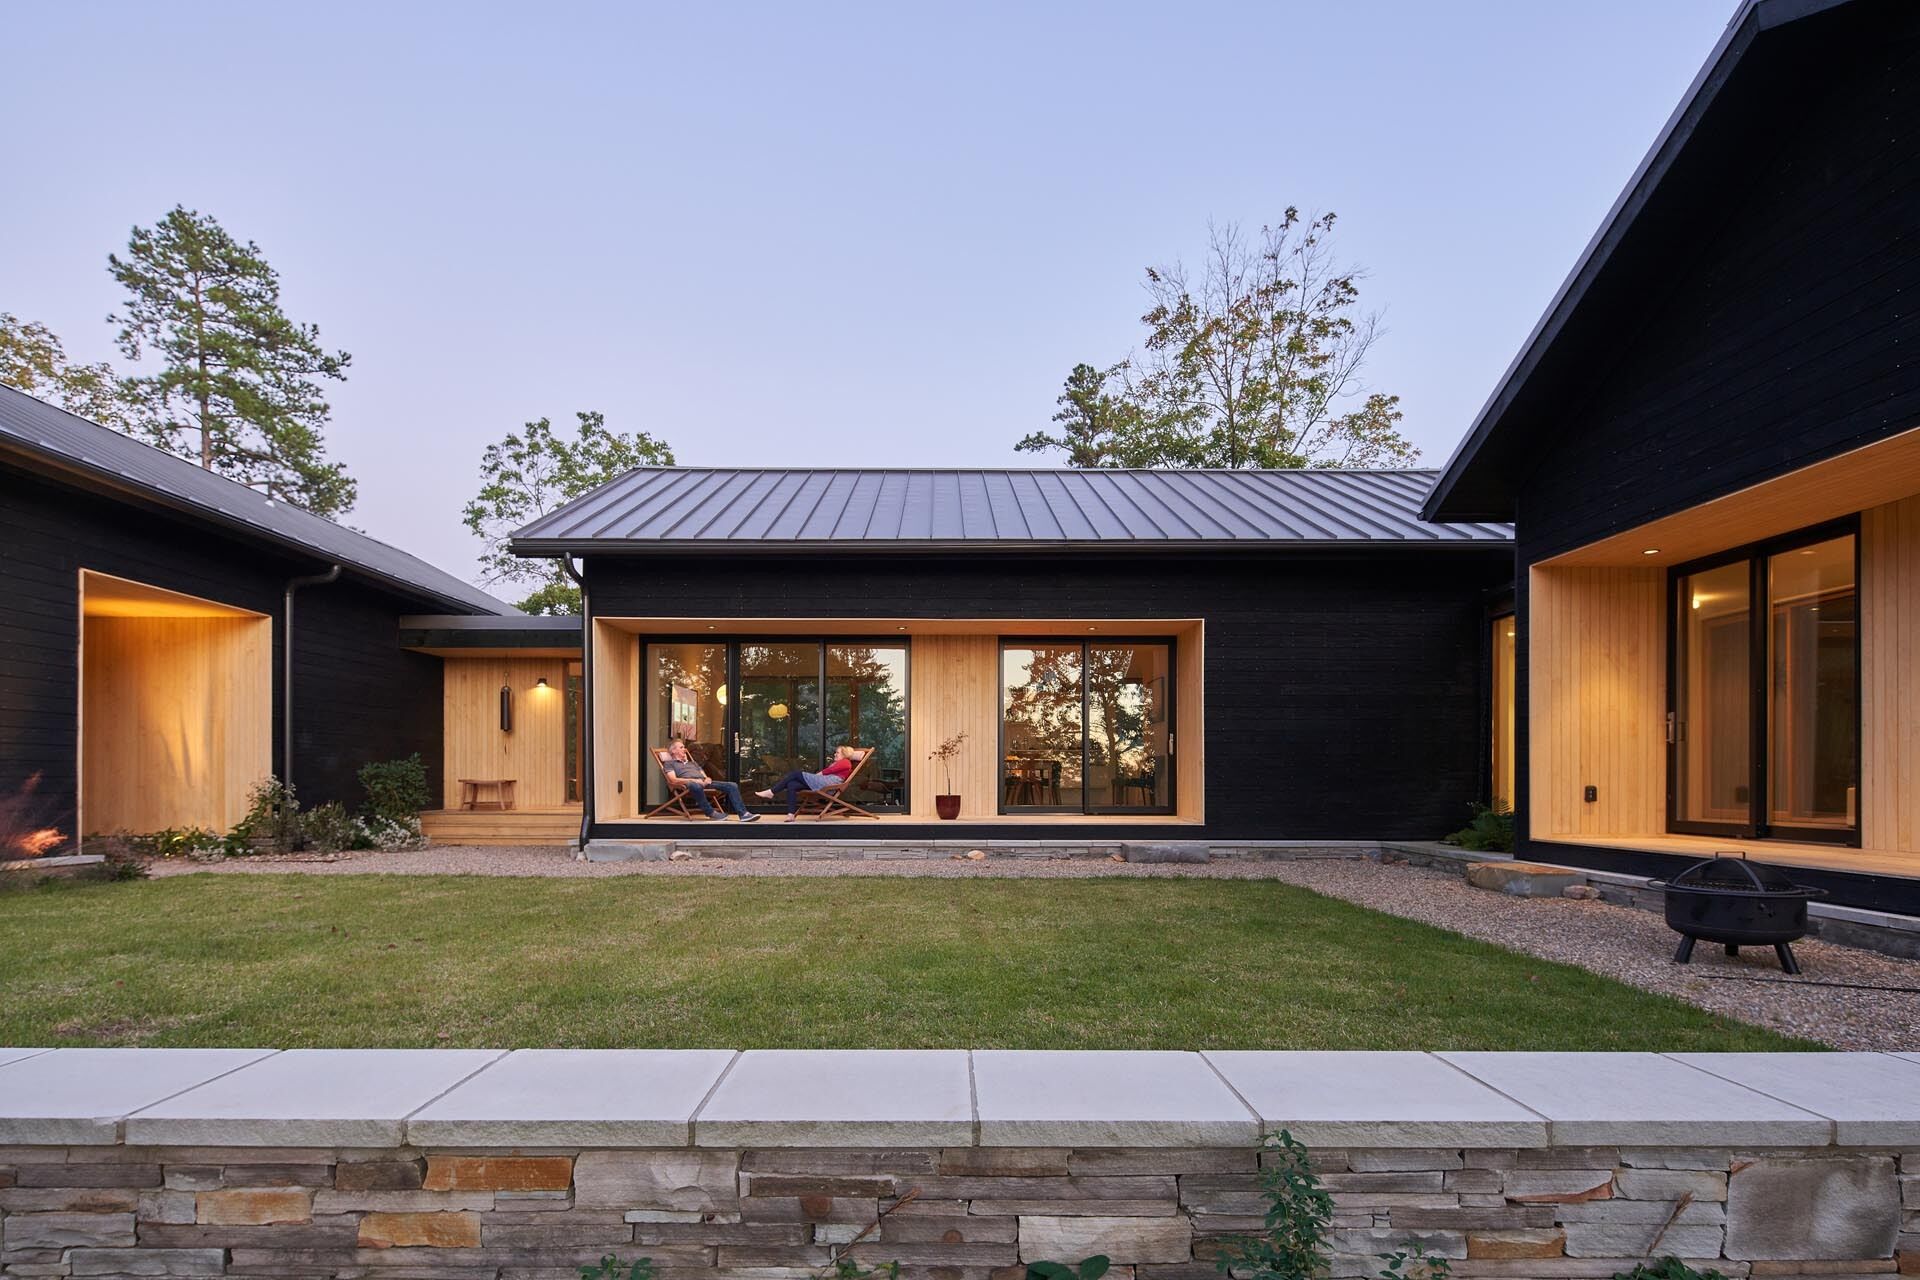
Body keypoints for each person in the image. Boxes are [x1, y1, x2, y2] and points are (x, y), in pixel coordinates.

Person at [661, 739, 760, 821]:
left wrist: (707, 779)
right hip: (689, 784)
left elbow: (703, 775)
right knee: (695, 785)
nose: (685, 749)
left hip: (703, 782)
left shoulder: (693, 763)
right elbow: (673, 780)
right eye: (681, 747)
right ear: (673, 751)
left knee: (732, 785)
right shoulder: (669, 764)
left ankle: (743, 814)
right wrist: (694, 781)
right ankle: (710, 812)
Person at [756, 746, 859, 822]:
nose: (835, 754)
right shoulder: (841, 762)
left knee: (796, 773)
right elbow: (829, 770)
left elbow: (830, 770)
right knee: (792, 784)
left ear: (845, 755)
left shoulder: (846, 762)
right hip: (824, 782)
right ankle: (791, 814)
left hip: (829, 784)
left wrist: (818, 775)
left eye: (838, 753)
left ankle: (772, 792)